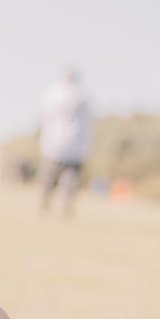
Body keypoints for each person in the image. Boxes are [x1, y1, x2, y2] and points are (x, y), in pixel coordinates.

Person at [38, 68, 93, 217]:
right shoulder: (82, 96)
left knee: (54, 179)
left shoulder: (53, 94)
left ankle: (47, 207)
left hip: (57, 145)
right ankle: (60, 208)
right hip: (69, 145)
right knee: (63, 180)